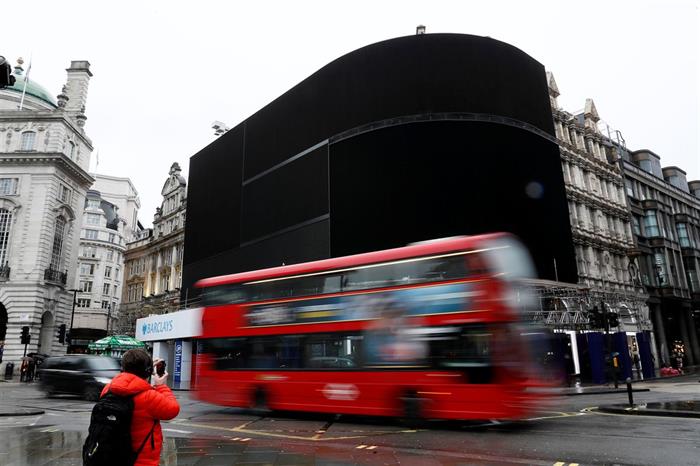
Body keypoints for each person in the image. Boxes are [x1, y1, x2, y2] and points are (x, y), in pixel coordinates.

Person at [100, 349, 180, 466]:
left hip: (111, 457)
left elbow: (129, 381)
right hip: (140, 460)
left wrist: (144, 368)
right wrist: (161, 386)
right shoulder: (148, 396)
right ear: (147, 372)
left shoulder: (108, 389)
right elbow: (173, 410)